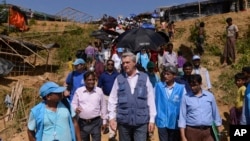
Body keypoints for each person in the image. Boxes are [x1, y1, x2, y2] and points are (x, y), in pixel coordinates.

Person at [108, 52, 156, 141]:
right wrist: (111, 118)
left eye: (127, 62)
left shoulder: (145, 78)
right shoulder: (119, 79)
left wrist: (152, 120)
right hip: (124, 122)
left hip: (141, 122)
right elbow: (112, 99)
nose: (125, 65)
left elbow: (151, 100)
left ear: (134, 63)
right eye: (123, 63)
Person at [178, 74, 222, 141]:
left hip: (208, 131)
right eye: (191, 85)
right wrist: (183, 136)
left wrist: (219, 130)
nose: (192, 87)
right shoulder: (185, 97)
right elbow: (182, 118)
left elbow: (215, 114)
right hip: (192, 131)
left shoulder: (210, 96)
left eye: (195, 85)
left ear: (200, 83)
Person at [71, 71, 107, 141]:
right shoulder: (79, 91)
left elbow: (103, 106)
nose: (92, 82)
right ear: (84, 81)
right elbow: (73, 104)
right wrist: (75, 108)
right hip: (82, 123)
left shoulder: (99, 91)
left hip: (96, 122)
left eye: (93, 79)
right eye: (89, 80)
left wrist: (104, 121)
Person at [155, 65, 186, 141]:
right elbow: (152, 101)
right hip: (161, 121)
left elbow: (185, 104)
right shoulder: (158, 86)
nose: (165, 76)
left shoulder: (181, 88)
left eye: (168, 74)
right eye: (164, 74)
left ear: (174, 75)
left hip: (175, 121)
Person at [97, 59, 119, 141]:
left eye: (111, 64)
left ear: (113, 65)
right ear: (106, 65)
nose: (110, 65)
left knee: (113, 114)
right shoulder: (103, 75)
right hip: (105, 96)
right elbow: (99, 87)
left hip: (115, 97)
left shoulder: (117, 75)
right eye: (108, 64)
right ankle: (105, 126)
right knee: (105, 114)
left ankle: (112, 134)